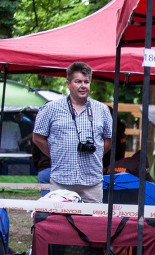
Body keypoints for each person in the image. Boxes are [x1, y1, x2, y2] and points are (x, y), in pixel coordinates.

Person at [32, 61, 113, 203]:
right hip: (61, 180)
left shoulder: (102, 110)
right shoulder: (50, 108)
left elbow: (109, 140)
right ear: (68, 84)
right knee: (60, 217)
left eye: (86, 82)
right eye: (78, 81)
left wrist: (96, 153)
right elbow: (37, 137)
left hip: (92, 182)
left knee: (92, 217)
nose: (83, 85)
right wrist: (56, 154)